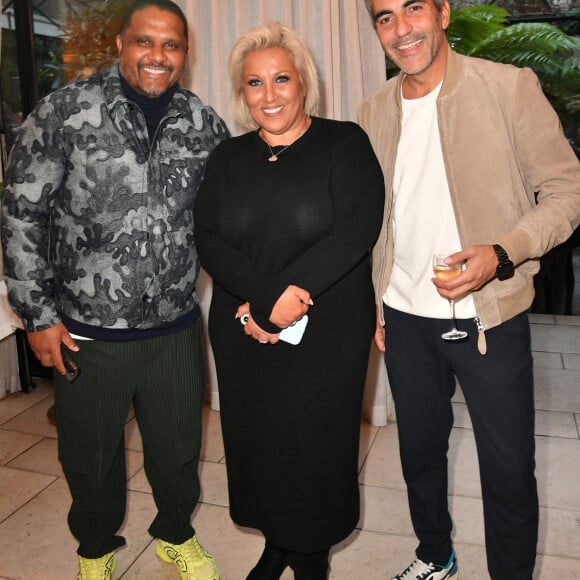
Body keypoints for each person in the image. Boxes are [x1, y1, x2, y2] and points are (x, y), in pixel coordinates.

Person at [0, 1, 228, 578]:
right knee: (89, 454)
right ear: (121, 44)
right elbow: (22, 215)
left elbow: (228, 219)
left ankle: (176, 533)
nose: (158, 56)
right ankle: (96, 549)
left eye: (171, 45)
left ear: (184, 53)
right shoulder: (62, 112)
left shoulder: (203, 125)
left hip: (175, 327)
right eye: (144, 42)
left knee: (178, 451)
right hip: (84, 331)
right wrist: (36, 315)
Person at [359, 1, 580, 579]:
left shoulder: (507, 87)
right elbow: (377, 221)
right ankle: (435, 555)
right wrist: (377, 300)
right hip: (405, 318)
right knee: (419, 458)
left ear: (443, 12)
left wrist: (502, 254)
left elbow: (566, 193)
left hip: (491, 316)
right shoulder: (372, 112)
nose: (401, 28)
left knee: (508, 469)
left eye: (412, 9)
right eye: (384, 17)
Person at [194, 21, 384, 580]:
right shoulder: (227, 158)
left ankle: (311, 553)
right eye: (255, 83)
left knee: (315, 444)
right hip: (242, 326)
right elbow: (209, 238)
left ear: (303, 83)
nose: (269, 94)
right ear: (241, 92)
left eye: (281, 79)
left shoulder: (343, 142)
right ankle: (279, 542)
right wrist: (258, 302)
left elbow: (355, 230)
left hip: (325, 331)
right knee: (261, 441)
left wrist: (277, 302)